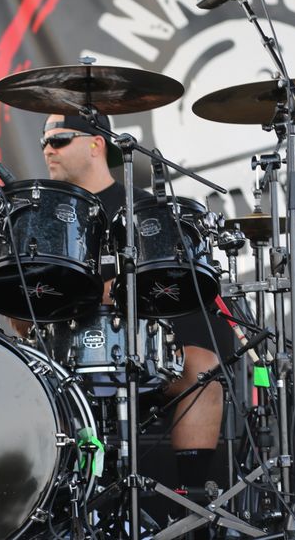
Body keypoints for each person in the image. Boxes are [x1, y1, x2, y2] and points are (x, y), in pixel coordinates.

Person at [39, 112, 231, 499]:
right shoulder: (45, 215)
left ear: (96, 144)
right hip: (61, 359)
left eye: (59, 140)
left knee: (203, 369)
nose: (48, 150)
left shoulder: (143, 210)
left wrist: (114, 289)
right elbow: (27, 307)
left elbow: (169, 290)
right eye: (44, 142)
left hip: (139, 356)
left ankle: (193, 503)